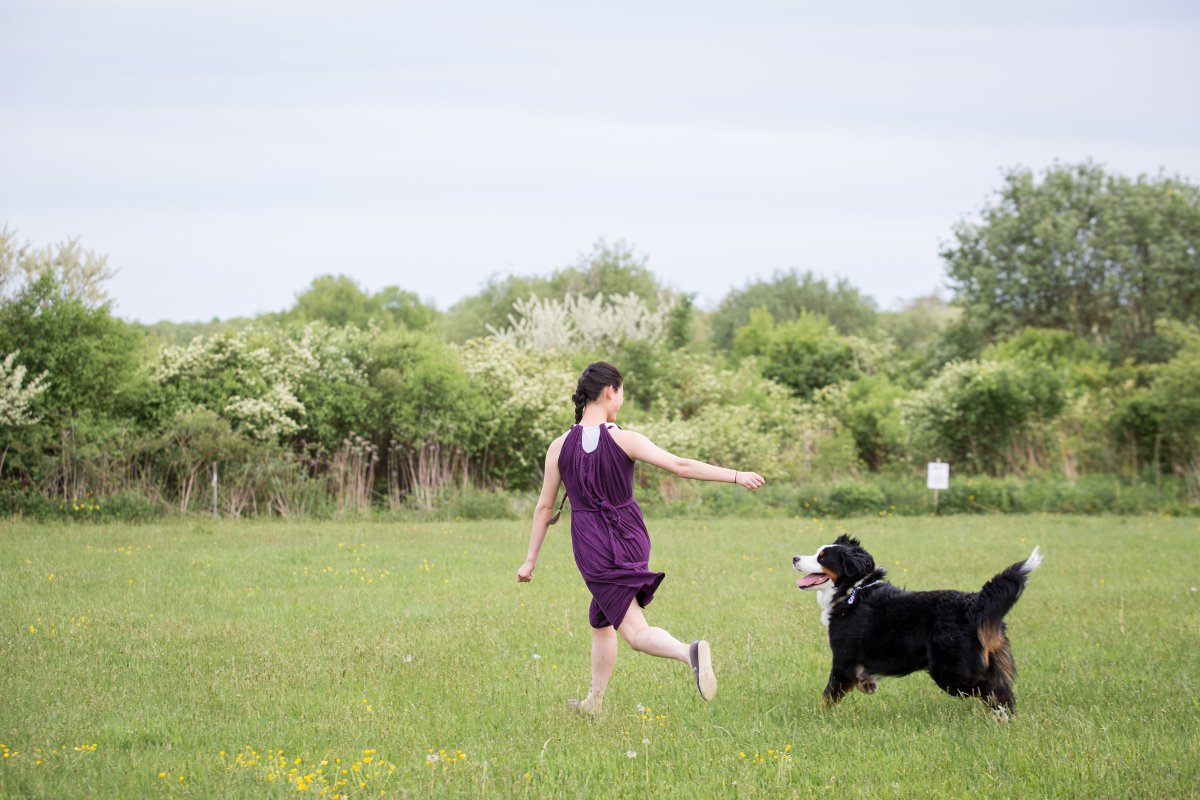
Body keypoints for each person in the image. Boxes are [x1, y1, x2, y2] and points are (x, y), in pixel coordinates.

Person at [516, 361, 765, 715]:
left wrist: (530, 560)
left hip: (594, 546)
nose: (621, 400)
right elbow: (681, 465)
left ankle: (688, 652)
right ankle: (593, 702)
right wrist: (736, 475)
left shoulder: (559, 446)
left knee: (633, 632)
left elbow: (544, 508)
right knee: (601, 620)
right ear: (609, 392)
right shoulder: (625, 438)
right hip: (631, 535)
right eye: (621, 393)